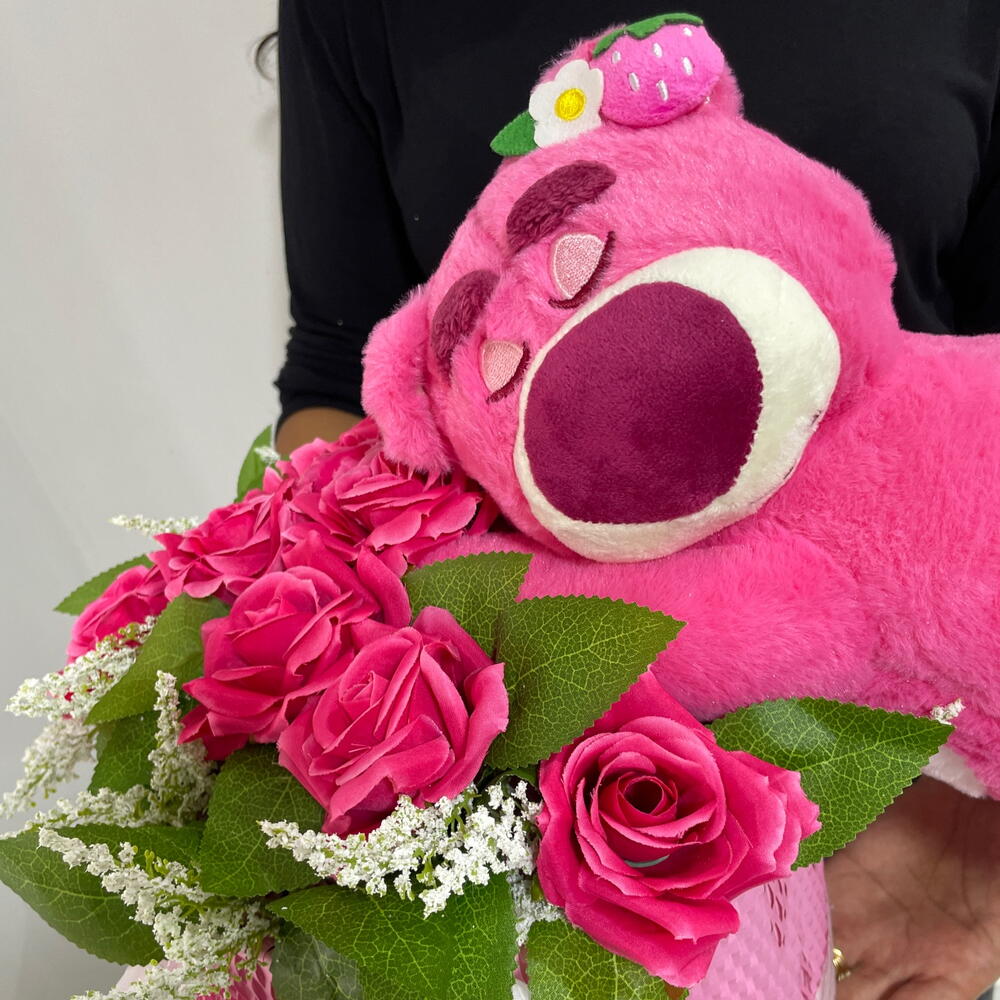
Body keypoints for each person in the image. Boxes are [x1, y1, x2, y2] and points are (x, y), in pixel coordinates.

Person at [269, 3, 1000, 997]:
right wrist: (422, 647)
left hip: (942, 812)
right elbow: (329, 368)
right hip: (608, 788)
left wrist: (977, 863)